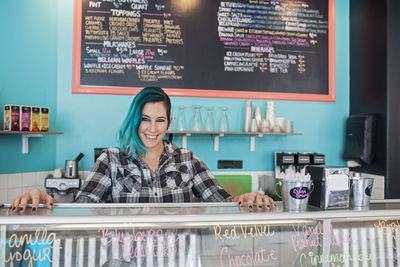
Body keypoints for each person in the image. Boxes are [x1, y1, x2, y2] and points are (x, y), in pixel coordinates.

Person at [11, 87, 275, 212]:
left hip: (178, 259)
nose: (152, 129)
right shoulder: (112, 160)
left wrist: (247, 198)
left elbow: (221, 201)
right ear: (135, 119)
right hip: (125, 260)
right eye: (145, 119)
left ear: (169, 123)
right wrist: (45, 200)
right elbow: (83, 208)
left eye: (160, 120)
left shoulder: (187, 160)